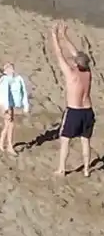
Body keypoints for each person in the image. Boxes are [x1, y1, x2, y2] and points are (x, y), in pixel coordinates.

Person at [51, 22, 94, 177]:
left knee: (65, 140)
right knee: (85, 141)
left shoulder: (71, 73)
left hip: (74, 111)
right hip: (88, 111)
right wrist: (65, 36)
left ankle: (62, 169)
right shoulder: (88, 72)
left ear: (76, 63)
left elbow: (59, 54)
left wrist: (54, 36)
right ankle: (87, 170)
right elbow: (77, 54)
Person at [0, 62, 30, 156]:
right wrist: (5, 109)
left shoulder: (15, 79)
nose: (12, 70)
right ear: (5, 71)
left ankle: (1, 142)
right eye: (9, 68)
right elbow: (3, 95)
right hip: (6, 105)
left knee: (9, 124)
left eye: (12, 68)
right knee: (10, 124)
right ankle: (9, 145)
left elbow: (22, 92)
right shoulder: (4, 80)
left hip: (10, 105)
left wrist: (25, 105)